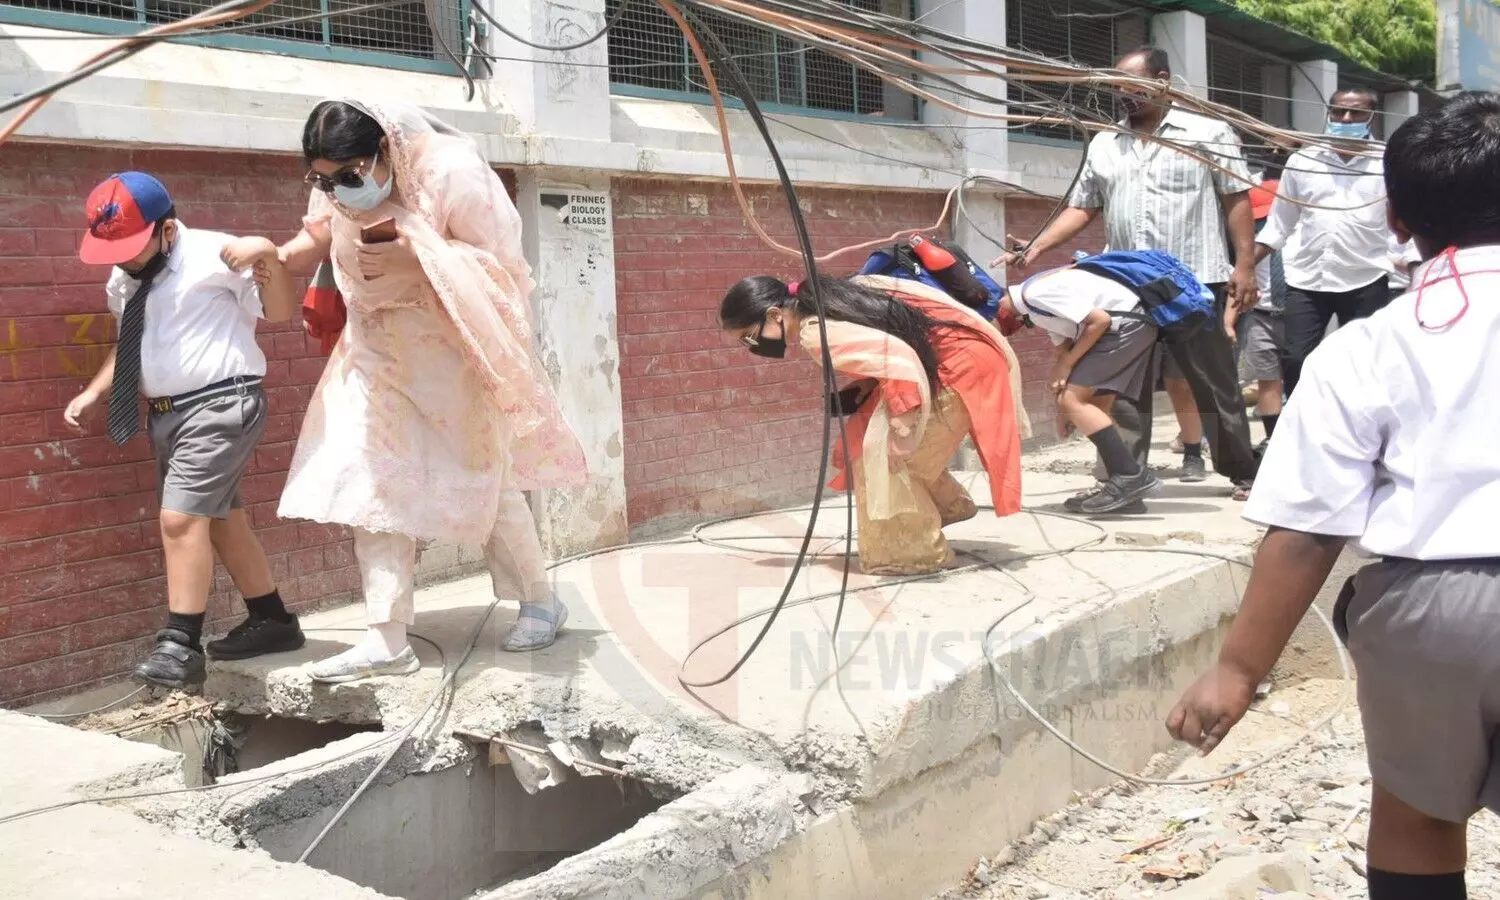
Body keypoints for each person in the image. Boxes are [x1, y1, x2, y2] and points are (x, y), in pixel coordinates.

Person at [1167, 91, 1500, 900]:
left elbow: (1308, 529)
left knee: (1417, 814)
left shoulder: (1370, 345)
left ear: (1395, 221)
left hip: (1430, 610)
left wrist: (1238, 670)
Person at [224, 99, 587, 683]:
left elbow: (505, 271)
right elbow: (316, 235)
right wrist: (271, 256)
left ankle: (540, 597)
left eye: (350, 176)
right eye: (322, 179)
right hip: (373, 351)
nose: (338, 189)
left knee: (482, 481)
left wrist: (420, 252)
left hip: (452, 352)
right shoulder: (335, 182)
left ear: (385, 150)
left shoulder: (454, 173)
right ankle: (386, 637)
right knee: (371, 482)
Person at [64, 172, 301, 688]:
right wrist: (94, 391)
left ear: (167, 228)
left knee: (178, 519)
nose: (123, 259)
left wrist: (267, 256)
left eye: (131, 246)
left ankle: (179, 645)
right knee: (218, 520)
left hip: (221, 403)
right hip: (168, 413)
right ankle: (274, 620)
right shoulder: (124, 277)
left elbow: (281, 312)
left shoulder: (218, 254)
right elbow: (130, 343)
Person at [997, 45, 1260, 501]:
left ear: (1163, 80)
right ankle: (1125, 474)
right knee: (1122, 386)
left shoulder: (1209, 133)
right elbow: (1083, 208)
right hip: (1123, 288)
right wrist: (1036, 245)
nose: (1122, 94)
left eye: (1131, 85)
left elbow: (1236, 198)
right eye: (1116, 86)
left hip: (1192, 283)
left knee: (1212, 382)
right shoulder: (1104, 143)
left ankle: (1244, 472)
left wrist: (1245, 265)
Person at [719, 272, 1027, 575]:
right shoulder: (833, 295)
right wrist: (867, 386)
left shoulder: (815, 332)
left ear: (774, 314)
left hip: (958, 368)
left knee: (887, 463)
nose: (752, 346)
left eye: (749, 336)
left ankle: (915, 554)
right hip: (964, 358)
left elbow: (898, 360)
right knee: (882, 451)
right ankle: (944, 507)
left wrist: (903, 428)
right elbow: (893, 339)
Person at [1253, 87, 1410, 397]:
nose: (1345, 118)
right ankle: (1302, 427)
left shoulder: (1389, 163)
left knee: (1365, 364)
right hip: (1308, 280)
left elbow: (1406, 225)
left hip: (1366, 278)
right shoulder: (1303, 160)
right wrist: (1244, 266)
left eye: (1355, 113)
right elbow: (1279, 224)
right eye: (1338, 112)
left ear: (1371, 117)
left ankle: (1361, 431)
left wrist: (1415, 271)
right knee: (1297, 359)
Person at [995, 262, 1160, 514]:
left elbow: (1100, 320)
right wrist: (1064, 411)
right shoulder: (1035, 309)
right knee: (1091, 406)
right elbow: (1063, 355)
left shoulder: (1035, 294)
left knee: (1075, 400)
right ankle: (1125, 494)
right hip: (1127, 326)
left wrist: (1068, 400)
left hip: (1123, 324)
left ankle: (1130, 476)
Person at [1225, 179, 1286, 453]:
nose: (1263, 225)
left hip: (1298, 312)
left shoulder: (1303, 240)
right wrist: (1229, 319)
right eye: (1258, 219)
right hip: (1262, 313)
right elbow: (1238, 281)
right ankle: (1273, 436)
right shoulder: (1249, 247)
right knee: (1267, 375)